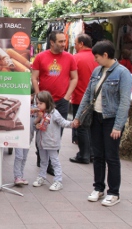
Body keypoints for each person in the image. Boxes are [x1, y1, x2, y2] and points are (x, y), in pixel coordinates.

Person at [73, 40, 132, 207]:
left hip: (111, 119)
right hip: (96, 119)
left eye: (97, 56)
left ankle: (114, 193)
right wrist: (78, 117)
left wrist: (118, 126)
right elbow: (87, 95)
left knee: (111, 157)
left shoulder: (123, 73)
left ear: (106, 55)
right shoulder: (97, 71)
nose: (95, 60)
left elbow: (124, 102)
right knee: (97, 155)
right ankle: (98, 188)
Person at [31, 30, 78, 173]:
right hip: (44, 102)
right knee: (40, 128)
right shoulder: (40, 57)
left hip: (61, 101)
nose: (64, 44)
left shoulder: (70, 58)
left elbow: (74, 78)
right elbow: (34, 77)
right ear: (52, 42)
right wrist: (39, 97)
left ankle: (51, 163)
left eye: (65, 41)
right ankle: (41, 155)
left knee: (57, 132)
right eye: (61, 41)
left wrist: (67, 96)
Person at [33, 91, 75, 191]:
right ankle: (42, 177)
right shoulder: (39, 113)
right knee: (43, 161)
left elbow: (63, 122)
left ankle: (58, 180)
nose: (38, 105)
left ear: (47, 102)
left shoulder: (54, 113)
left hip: (51, 142)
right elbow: (35, 125)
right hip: (41, 142)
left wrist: (73, 124)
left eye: (40, 103)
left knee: (54, 161)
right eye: (37, 103)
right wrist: (37, 124)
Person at [70, 34, 98, 164]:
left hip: (80, 97)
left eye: (75, 44)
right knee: (93, 127)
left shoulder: (75, 58)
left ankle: (84, 155)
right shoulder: (97, 57)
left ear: (81, 44)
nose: (74, 46)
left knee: (81, 127)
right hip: (97, 99)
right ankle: (92, 153)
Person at [13, 86, 36, 184]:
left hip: (28, 137)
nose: (30, 97)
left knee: (24, 156)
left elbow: (35, 123)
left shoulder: (36, 107)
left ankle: (21, 175)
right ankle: (17, 176)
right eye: (28, 95)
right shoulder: (19, 105)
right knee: (19, 156)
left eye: (32, 95)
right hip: (18, 135)